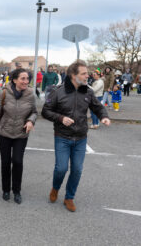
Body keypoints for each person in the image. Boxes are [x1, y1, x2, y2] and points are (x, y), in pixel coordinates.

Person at [42, 60, 110, 212]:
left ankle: (69, 197)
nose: (88, 76)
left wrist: (103, 116)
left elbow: (98, 107)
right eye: (84, 73)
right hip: (62, 136)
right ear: (73, 75)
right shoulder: (57, 91)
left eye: (87, 73)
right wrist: (61, 118)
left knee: (77, 169)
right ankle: (55, 188)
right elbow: (45, 111)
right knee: (61, 168)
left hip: (80, 138)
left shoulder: (88, 91)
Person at [0, 68, 37, 204]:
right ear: (14, 80)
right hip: (4, 133)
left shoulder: (30, 94)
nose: (25, 81)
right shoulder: (4, 93)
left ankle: (17, 191)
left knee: (17, 162)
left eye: (27, 79)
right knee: (5, 162)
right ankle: (5, 189)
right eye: (22, 78)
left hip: (21, 134)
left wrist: (30, 121)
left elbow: (34, 112)